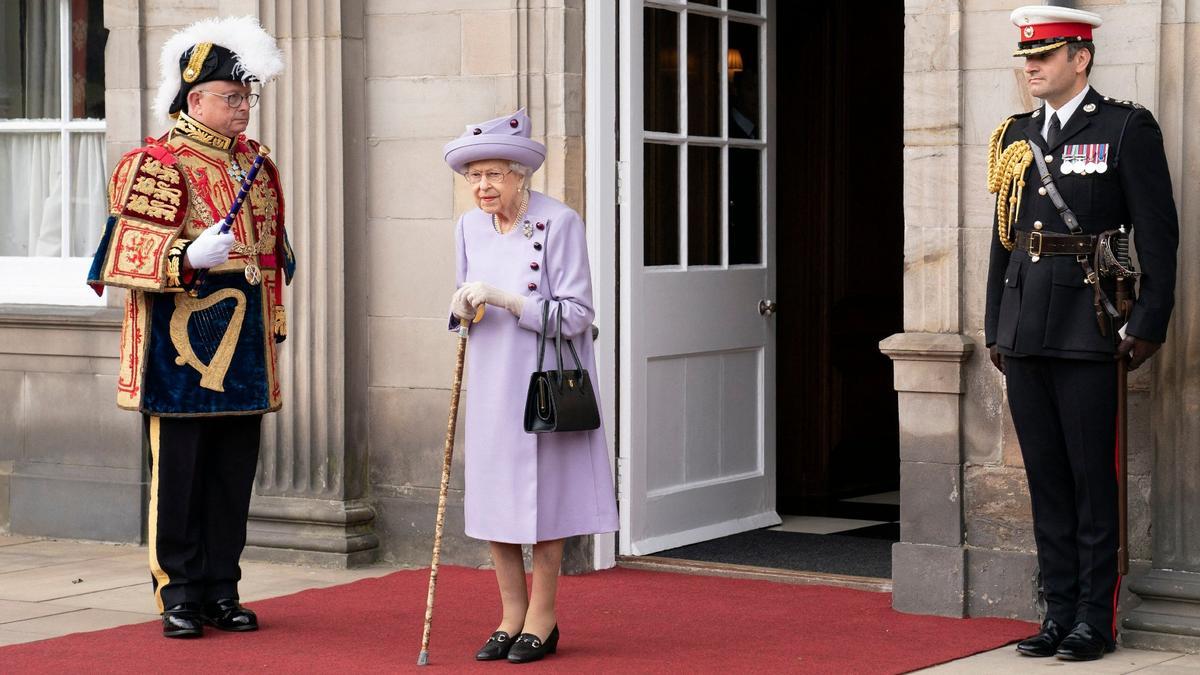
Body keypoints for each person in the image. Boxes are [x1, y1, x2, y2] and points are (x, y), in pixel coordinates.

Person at [86, 16, 292, 639]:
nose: (243, 109)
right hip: (176, 351)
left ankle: (222, 588)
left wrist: (274, 320)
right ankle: (177, 591)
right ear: (193, 97)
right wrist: (183, 257)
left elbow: (272, 257)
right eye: (233, 97)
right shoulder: (156, 162)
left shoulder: (256, 162)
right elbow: (120, 254)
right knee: (178, 479)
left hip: (245, 347)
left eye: (247, 97)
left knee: (233, 475)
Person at [985, 6, 1178, 662]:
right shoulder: (1016, 133)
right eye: (1026, 56)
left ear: (1081, 58)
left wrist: (1149, 319)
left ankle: (1096, 618)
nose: (1031, 65)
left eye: (1045, 54)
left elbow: (1158, 231)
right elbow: (1003, 241)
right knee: (1046, 479)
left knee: (1093, 478)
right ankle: (1058, 610)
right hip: (1025, 328)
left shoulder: (1125, 128)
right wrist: (994, 325)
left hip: (1090, 325)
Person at [442, 109, 619, 664]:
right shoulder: (468, 226)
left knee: (546, 503)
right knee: (496, 499)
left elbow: (578, 314)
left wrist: (510, 300)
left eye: (494, 174)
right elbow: (465, 298)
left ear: (521, 174)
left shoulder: (559, 222)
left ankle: (543, 618)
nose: (483, 186)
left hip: (544, 381)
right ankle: (508, 616)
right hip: (493, 379)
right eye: (474, 176)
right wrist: (461, 308)